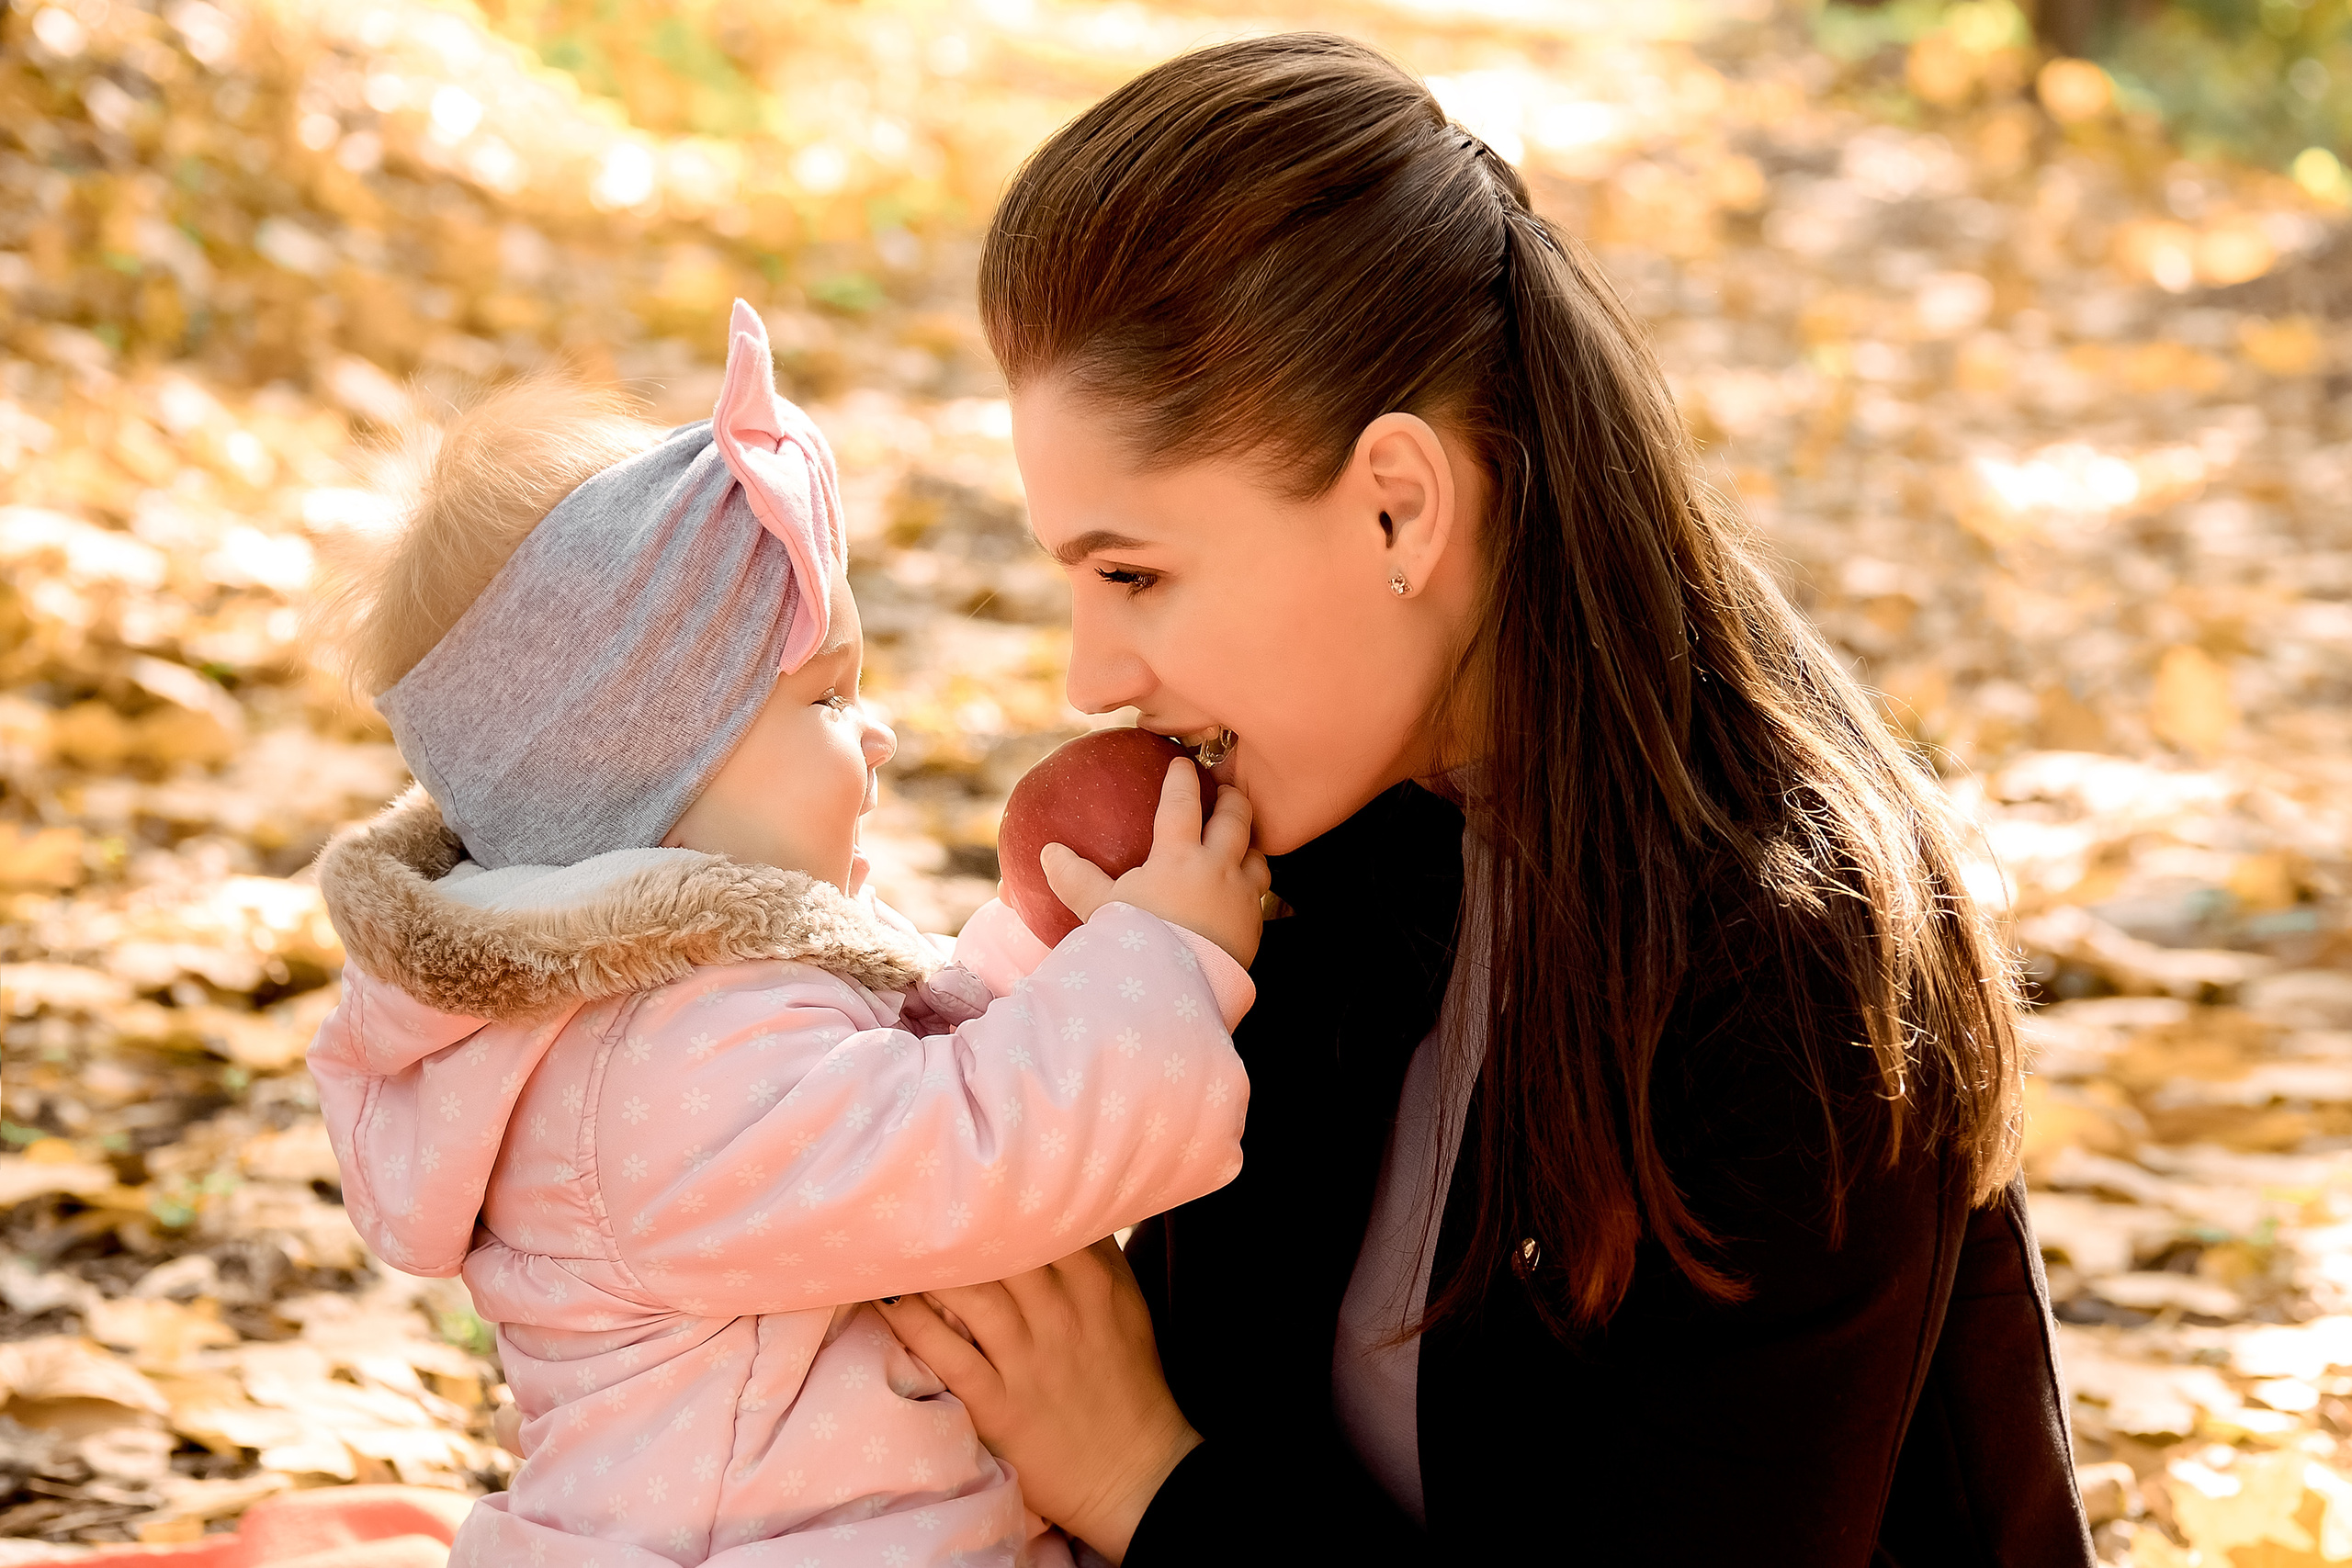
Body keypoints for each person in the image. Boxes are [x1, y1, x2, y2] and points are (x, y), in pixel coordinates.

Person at [875, 34, 2096, 1566]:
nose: (1091, 677)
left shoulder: (1789, 975)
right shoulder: (1295, 858)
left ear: (1401, 501)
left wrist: (1143, 1476)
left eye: (1134, 575)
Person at [303, 300, 1269, 1567]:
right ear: (646, 783)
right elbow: (961, 1160)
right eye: (827, 696)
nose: (875, 733)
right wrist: (1169, 968)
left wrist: (1048, 950)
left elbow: (893, 1093)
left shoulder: (683, 999)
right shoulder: (654, 1063)